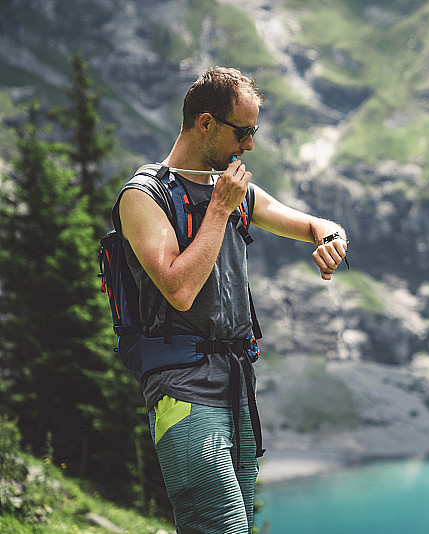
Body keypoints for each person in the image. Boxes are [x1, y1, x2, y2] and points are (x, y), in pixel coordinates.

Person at [115, 67, 348, 533]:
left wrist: (330, 238)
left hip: (236, 385)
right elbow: (178, 290)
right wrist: (220, 208)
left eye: (253, 132)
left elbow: (312, 224)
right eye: (243, 132)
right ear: (205, 123)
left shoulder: (236, 192)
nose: (249, 146)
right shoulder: (144, 196)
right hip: (182, 386)